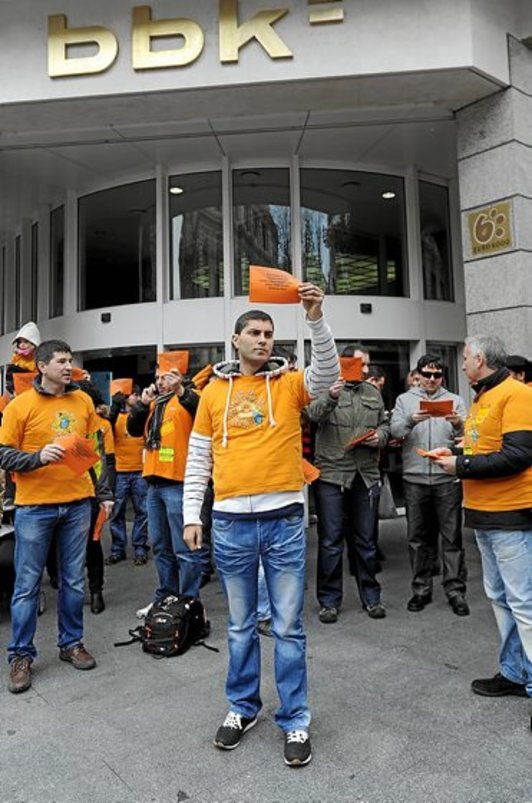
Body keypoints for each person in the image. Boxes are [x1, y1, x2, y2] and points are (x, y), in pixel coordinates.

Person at [183, 283, 339, 768]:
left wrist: (315, 317)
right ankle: (242, 707)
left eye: (269, 333)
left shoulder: (289, 384)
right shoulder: (212, 393)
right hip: (231, 523)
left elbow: (328, 373)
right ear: (235, 340)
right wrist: (191, 515)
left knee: (289, 628)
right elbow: (199, 457)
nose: (263, 339)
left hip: (284, 521)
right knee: (239, 627)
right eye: (254, 332)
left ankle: (295, 719)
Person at [0, 339, 113, 694]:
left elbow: (93, 451)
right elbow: (3, 454)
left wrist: (104, 494)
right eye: (61, 361)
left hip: (78, 503)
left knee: (74, 581)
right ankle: (21, 655)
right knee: (27, 585)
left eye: (70, 361)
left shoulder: (82, 401)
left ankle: (71, 643)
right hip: (35, 507)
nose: (68, 367)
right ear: (42, 366)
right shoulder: (20, 406)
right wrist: (36, 458)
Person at [435, 335, 532, 701]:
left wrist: (459, 465)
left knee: (523, 604)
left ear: (479, 359)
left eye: (464, 357)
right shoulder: (483, 396)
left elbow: (518, 456)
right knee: (502, 600)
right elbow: (485, 446)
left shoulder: (517, 394)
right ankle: (514, 673)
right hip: (485, 515)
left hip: (511, 516)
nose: (461, 364)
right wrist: (455, 451)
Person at [307, 344, 389, 623]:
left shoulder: (373, 393)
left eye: (366, 364)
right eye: (359, 364)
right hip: (332, 475)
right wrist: (331, 396)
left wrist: (380, 437)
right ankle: (329, 602)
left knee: (366, 541)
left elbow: (384, 424)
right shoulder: (326, 388)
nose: (365, 369)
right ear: (344, 363)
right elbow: (311, 415)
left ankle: (371, 597)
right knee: (331, 542)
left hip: (365, 475)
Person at [390, 354, 469, 615]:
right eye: (427, 374)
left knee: (452, 536)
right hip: (415, 477)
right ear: (418, 375)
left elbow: (470, 437)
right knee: (417, 538)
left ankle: (455, 591)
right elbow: (394, 432)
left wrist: (459, 424)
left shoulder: (456, 400)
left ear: (442, 376)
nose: (432, 379)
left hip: (447, 477)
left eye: (437, 375)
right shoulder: (404, 400)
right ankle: (421, 590)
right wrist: (411, 419)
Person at [127, 367, 202, 617]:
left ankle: (189, 602)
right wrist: (141, 405)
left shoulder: (188, 397)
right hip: (153, 484)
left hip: (178, 482)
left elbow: (200, 410)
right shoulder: (152, 403)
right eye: (158, 377)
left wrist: (181, 389)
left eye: (166, 377)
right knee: (160, 547)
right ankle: (167, 597)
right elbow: (134, 430)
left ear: (179, 378)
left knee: (184, 549)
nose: (160, 382)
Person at [106, 386, 149, 566]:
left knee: (142, 511)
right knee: (117, 512)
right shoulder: (115, 417)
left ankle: (140, 547)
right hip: (120, 471)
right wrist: (115, 407)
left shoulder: (142, 416)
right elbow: (107, 425)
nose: (137, 398)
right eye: (134, 395)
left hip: (140, 470)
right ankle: (118, 549)